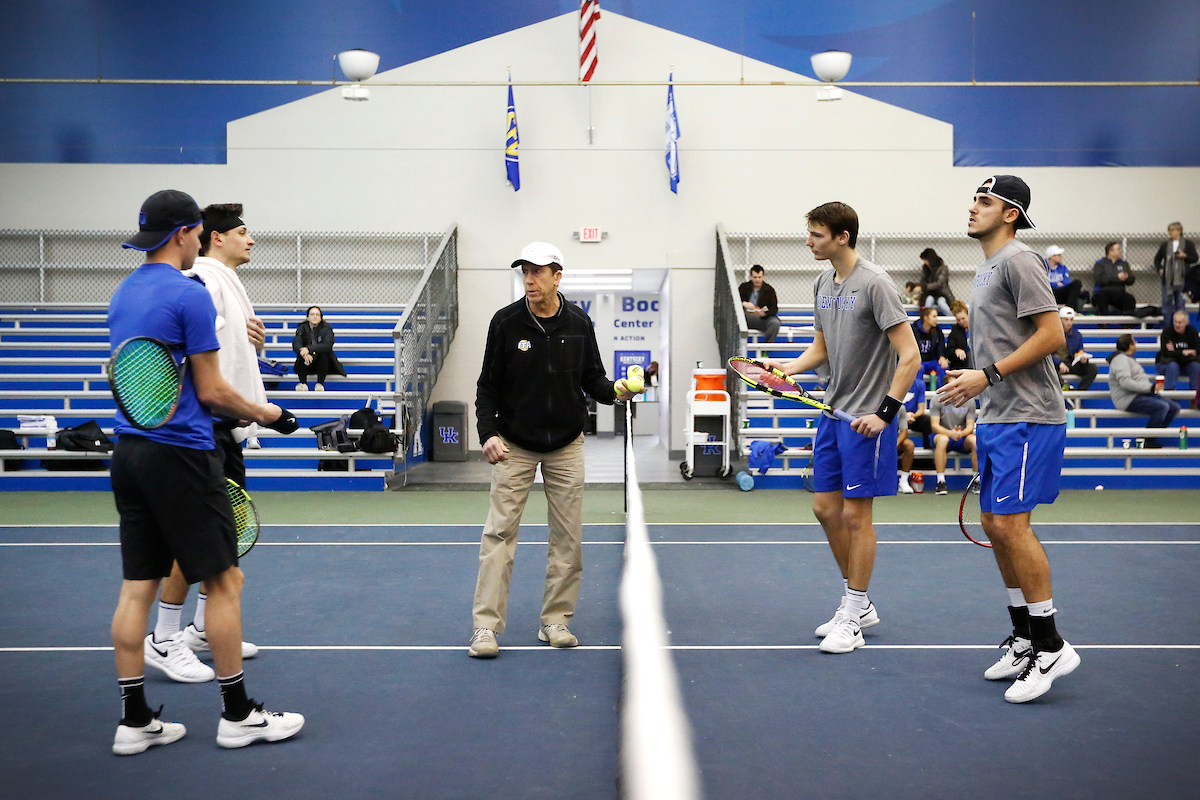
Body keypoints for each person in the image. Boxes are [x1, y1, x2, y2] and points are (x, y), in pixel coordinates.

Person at [108, 190, 303, 755]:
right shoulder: (188, 292)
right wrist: (271, 413)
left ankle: (134, 722)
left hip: (131, 454)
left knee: (136, 587)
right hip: (183, 455)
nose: (200, 242)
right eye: (196, 233)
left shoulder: (125, 292)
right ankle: (238, 714)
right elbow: (214, 391)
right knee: (224, 581)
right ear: (185, 234)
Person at [937, 175, 1079, 703]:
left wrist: (986, 376)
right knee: (995, 524)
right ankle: (1024, 635)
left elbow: (1051, 335)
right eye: (974, 198)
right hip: (1000, 416)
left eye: (985, 201)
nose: (973, 207)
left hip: (1028, 416)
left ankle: (1051, 644)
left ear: (1011, 213)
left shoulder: (1020, 260)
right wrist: (981, 397)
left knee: (1013, 527)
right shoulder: (986, 267)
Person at [764, 202, 920, 655]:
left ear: (842, 237)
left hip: (868, 419)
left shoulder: (875, 284)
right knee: (825, 509)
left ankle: (852, 612)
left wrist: (886, 413)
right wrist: (787, 369)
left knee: (857, 515)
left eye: (816, 234)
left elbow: (909, 355)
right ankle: (860, 601)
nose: (809, 241)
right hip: (833, 412)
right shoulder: (821, 282)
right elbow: (822, 346)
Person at [469, 241, 636, 658]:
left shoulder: (579, 322)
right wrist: (487, 433)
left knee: (568, 538)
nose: (529, 279)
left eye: (538, 272)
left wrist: (616, 391)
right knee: (499, 535)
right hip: (513, 445)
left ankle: (556, 621)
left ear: (557, 276)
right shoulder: (505, 322)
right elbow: (487, 386)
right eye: (525, 271)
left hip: (566, 445)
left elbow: (593, 380)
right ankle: (485, 629)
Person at [142, 204, 267, 685]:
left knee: (219, 535)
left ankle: (197, 628)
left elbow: (225, 347)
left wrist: (251, 337)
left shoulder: (226, 283)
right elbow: (195, 354)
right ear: (215, 238)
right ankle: (164, 636)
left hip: (225, 427)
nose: (250, 239)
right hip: (206, 428)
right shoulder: (205, 280)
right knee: (193, 535)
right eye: (242, 232)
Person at [1109, 333, 1180, 445]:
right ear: (1130, 346)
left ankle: (1153, 435)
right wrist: (1150, 388)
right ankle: (1148, 440)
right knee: (1162, 407)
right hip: (1128, 398)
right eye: (1134, 342)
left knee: (1173, 408)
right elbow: (1125, 383)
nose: (1136, 344)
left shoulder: (1128, 359)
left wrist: (1150, 389)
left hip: (1141, 393)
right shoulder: (1120, 360)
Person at [1153, 222, 1199, 328]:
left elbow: (1195, 258)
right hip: (1168, 279)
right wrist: (1160, 269)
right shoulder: (1165, 245)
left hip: (1183, 278)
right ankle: (1167, 326)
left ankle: (1182, 326)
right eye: (1169, 231)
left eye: (1173, 230)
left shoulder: (1188, 244)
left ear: (1179, 231)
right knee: (1166, 303)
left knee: (1180, 303)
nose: (1171, 233)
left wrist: (1185, 256)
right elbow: (1157, 259)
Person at [929, 396, 977, 495]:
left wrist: (960, 434)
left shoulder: (969, 401)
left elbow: (970, 427)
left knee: (975, 440)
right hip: (943, 435)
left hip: (962, 437)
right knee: (943, 439)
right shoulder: (937, 400)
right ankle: (941, 482)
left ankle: (977, 481)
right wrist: (950, 433)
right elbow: (934, 425)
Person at [293, 306, 346, 391]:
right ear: (308, 317)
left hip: (322, 364)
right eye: (312, 314)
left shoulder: (327, 328)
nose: (315, 316)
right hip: (307, 361)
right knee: (301, 353)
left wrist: (309, 349)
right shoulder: (301, 327)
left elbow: (327, 345)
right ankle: (303, 383)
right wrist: (304, 352)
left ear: (321, 317)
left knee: (324, 354)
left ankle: (320, 384)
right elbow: (296, 343)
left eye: (317, 315)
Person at [897, 372, 929, 494]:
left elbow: (904, 433)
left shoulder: (901, 409)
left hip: (908, 421)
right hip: (881, 437)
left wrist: (894, 444)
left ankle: (903, 481)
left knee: (909, 445)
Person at [1052, 307, 1098, 390]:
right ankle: (1063, 386)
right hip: (1054, 364)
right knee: (1049, 367)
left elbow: (1080, 351)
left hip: (1070, 363)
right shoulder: (1051, 334)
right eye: (1066, 320)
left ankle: (1079, 392)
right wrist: (1059, 363)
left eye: (1071, 320)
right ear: (1060, 320)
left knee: (1092, 369)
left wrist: (1083, 359)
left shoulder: (1077, 335)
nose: (1069, 323)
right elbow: (1047, 354)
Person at [1157, 310, 1200, 392]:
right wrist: (1184, 352)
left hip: (1185, 364)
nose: (1177, 325)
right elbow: (1165, 353)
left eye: (1180, 322)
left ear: (1186, 322)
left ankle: (1196, 399)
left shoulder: (1192, 332)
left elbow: (1198, 349)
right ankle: (1170, 396)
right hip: (1167, 364)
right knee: (1173, 366)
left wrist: (1175, 352)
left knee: (1196, 366)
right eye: (1175, 322)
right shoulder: (1167, 332)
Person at [739, 264, 781, 343]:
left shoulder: (769, 290)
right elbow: (734, 302)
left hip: (761, 318)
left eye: (759, 277)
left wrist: (764, 313)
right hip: (745, 317)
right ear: (751, 277)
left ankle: (766, 348)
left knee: (775, 323)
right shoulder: (743, 287)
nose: (757, 280)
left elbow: (774, 309)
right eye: (755, 277)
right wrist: (743, 304)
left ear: (763, 277)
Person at [1092, 242, 1136, 316]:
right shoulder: (1100, 264)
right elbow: (1100, 279)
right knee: (1102, 298)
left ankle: (1127, 326)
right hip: (1103, 291)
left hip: (1118, 292)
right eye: (1118, 249)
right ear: (1110, 252)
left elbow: (1131, 279)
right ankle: (1103, 324)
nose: (1120, 251)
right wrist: (1117, 277)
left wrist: (1126, 277)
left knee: (1130, 299)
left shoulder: (1123, 264)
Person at [907, 247, 954, 317]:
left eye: (925, 260)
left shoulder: (943, 268)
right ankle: (926, 320)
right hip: (929, 294)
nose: (925, 262)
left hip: (942, 294)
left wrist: (923, 287)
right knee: (928, 303)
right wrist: (913, 286)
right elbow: (923, 281)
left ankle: (953, 320)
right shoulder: (926, 268)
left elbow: (939, 284)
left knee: (942, 304)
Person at [912, 305, 949, 385]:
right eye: (934, 316)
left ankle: (943, 393)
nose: (937, 319)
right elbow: (909, 348)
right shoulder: (913, 330)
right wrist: (915, 360)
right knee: (916, 368)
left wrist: (942, 357)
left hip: (932, 361)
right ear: (926, 318)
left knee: (943, 366)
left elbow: (941, 347)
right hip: (918, 361)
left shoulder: (938, 331)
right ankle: (916, 396)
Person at [1045, 245, 1083, 313]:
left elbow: (1066, 282)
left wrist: (1052, 283)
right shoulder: (1042, 266)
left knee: (1077, 283)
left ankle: (1070, 310)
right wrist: (1056, 283)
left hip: (1060, 292)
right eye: (1059, 255)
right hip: (1048, 293)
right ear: (1052, 256)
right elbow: (1042, 283)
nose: (1061, 257)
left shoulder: (1063, 267)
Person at [946, 300, 972, 371]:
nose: (961, 322)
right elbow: (949, 350)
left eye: (963, 318)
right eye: (958, 320)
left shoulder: (977, 328)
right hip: (962, 364)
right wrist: (956, 351)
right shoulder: (955, 331)